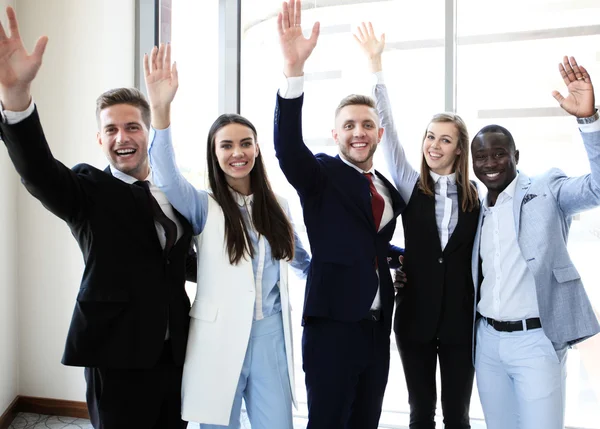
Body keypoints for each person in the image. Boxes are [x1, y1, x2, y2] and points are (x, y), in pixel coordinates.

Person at [0, 9, 196, 429]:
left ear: (149, 132)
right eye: (111, 130)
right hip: (117, 355)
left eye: (132, 127)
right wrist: (16, 98)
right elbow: (37, 171)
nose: (122, 138)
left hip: (177, 351)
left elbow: (183, 260)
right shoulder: (86, 192)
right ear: (99, 138)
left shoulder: (176, 193)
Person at [146, 41, 311, 429]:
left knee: (277, 425)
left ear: (256, 149)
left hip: (270, 334)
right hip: (218, 336)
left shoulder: (280, 207)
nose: (237, 153)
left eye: (245, 143)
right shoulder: (204, 206)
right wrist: (161, 110)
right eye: (227, 145)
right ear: (214, 153)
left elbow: (303, 262)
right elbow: (166, 175)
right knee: (218, 424)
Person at [274, 2, 406, 428]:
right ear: (335, 134)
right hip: (331, 326)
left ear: (378, 133)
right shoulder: (321, 174)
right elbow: (288, 149)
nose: (359, 132)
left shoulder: (385, 187)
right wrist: (294, 71)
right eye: (348, 125)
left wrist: (400, 258)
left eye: (367, 125)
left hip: (376, 326)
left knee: (366, 421)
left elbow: (370, 241)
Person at [355, 22, 480, 429]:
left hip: (461, 321)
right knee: (420, 413)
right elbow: (386, 127)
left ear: (459, 148)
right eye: (429, 137)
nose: (433, 145)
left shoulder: (476, 195)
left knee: (457, 416)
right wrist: (376, 65)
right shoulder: (411, 186)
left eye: (445, 139)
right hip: (415, 319)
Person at [470, 56, 600, 429]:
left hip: (537, 341)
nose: (490, 162)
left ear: (516, 157)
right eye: (481, 157)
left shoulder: (547, 189)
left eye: (499, 154)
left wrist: (588, 119)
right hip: (488, 342)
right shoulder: (475, 208)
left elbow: (597, 186)